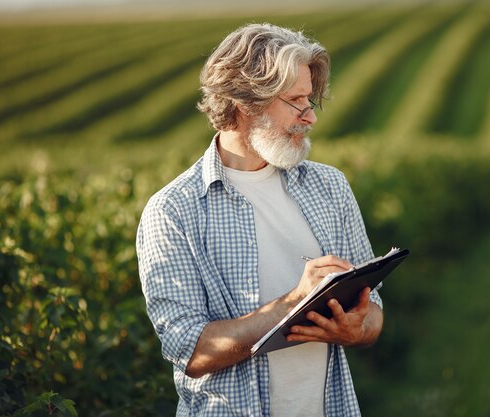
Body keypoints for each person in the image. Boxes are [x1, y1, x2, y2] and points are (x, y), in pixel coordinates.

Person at [136, 22, 384, 417]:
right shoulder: (174, 211)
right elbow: (190, 350)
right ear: (244, 102)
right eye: (296, 101)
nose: (310, 118)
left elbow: (373, 313)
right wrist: (293, 303)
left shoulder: (329, 187)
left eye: (310, 101)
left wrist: (358, 328)